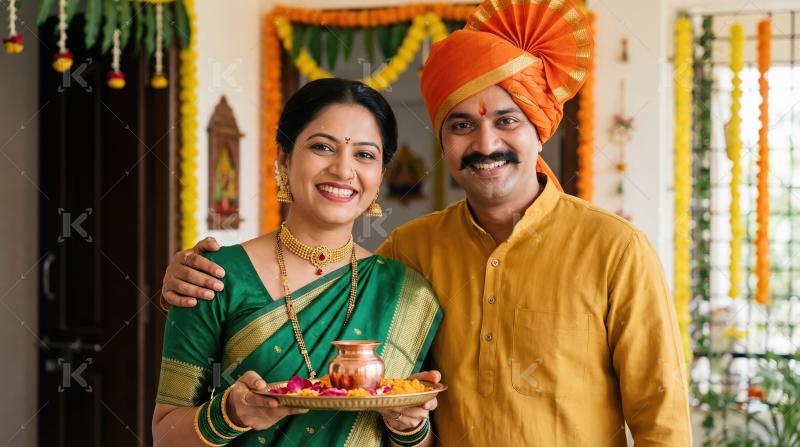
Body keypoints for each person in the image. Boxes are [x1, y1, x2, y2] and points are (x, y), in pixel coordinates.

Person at [162, 0, 693, 445]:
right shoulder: (410, 254)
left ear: (540, 131)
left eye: (507, 121)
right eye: (462, 125)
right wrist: (180, 285)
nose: (486, 145)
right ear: (442, 142)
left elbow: (662, 417)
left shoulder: (615, 248)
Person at [152, 78, 443, 447]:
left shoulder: (408, 294)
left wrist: (409, 428)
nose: (342, 170)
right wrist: (232, 414)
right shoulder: (214, 276)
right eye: (322, 147)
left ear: (380, 175)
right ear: (284, 158)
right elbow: (164, 435)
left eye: (365, 155)